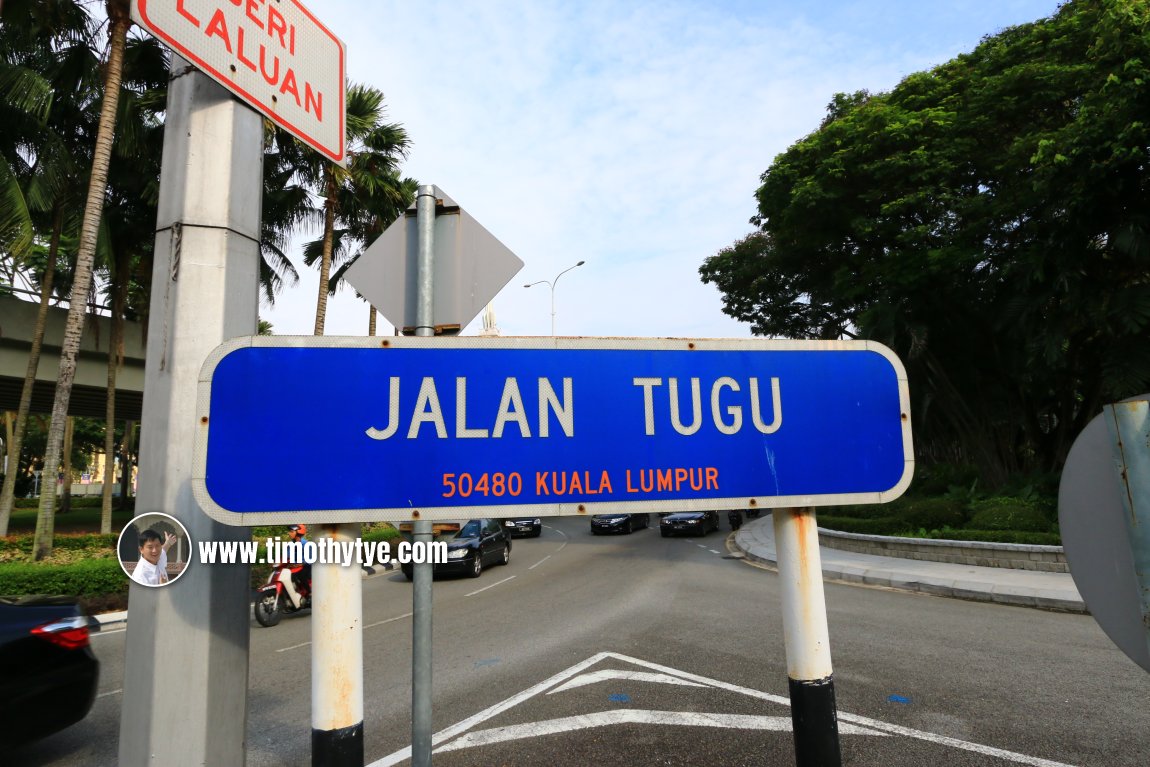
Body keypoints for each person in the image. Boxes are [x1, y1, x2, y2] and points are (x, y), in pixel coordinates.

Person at [280, 524, 311, 609]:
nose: (289, 533)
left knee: (301, 575)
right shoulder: (290, 544)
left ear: (298, 532)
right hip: (295, 567)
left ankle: (309, 593)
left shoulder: (306, 544)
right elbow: (286, 556)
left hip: (306, 566)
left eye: (291, 531)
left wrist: (302, 563)